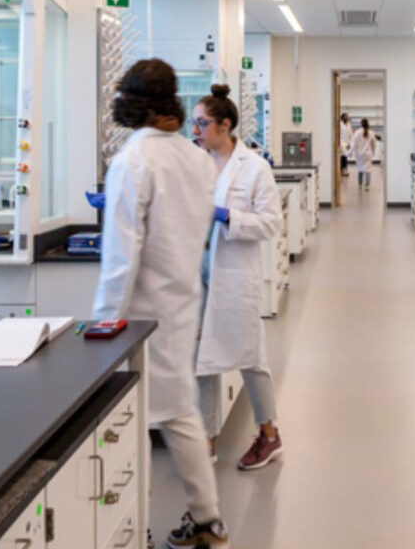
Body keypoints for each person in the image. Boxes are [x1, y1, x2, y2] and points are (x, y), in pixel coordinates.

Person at [90, 59, 229, 548]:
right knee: (177, 412)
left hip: (140, 316)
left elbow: (121, 257)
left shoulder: (133, 160)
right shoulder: (195, 158)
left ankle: (135, 530)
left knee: (130, 421)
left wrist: (105, 324)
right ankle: (208, 520)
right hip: (181, 302)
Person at [191, 84, 286, 470]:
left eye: (202, 124)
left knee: (251, 357)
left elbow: (270, 223)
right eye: (194, 123)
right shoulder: (194, 165)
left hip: (234, 274)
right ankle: (206, 441)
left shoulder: (255, 167)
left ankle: (269, 435)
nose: (195, 131)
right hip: (196, 273)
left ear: (225, 125)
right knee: (202, 359)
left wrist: (228, 216)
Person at [351, 118, 378, 192]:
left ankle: (360, 185)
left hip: (359, 154)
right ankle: (367, 186)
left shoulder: (357, 132)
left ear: (361, 124)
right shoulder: (371, 132)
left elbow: (353, 144)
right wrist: (373, 152)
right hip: (368, 154)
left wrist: (350, 153)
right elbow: (374, 144)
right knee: (368, 170)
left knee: (360, 170)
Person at [339, 112, 353, 178]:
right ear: (342, 117)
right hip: (341, 142)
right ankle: (343, 170)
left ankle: (344, 169)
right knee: (343, 156)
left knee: (345, 156)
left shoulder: (348, 124)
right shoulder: (340, 124)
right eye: (345, 117)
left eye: (347, 117)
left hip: (346, 143)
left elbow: (350, 134)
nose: (347, 118)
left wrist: (351, 142)